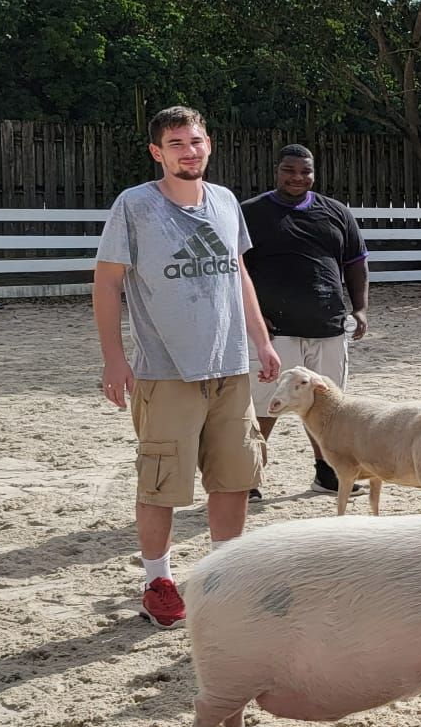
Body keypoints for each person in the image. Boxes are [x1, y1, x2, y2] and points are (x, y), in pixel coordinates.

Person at [93, 106, 282, 628]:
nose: (188, 150)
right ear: (158, 152)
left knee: (233, 477)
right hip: (166, 370)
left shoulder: (224, 202)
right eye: (175, 143)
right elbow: (107, 282)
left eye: (195, 141)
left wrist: (261, 341)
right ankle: (158, 580)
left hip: (230, 367)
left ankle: (224, 576)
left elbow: (237, 271)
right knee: (162, 482)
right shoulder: (135, 205)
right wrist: (114, 357)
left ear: (209, 144)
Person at [240, 144, 369, 497]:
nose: (298, 177)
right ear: (276, 170)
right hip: (273, 331)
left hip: (327, 326)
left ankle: (326, 473)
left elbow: (355, 263)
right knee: (265, 402)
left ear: (314, 173)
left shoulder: (336, 213)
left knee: (325, 406)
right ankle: (249, 477)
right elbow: (233, 270)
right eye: (290, 170)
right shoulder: (250, 213)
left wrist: (359, 308)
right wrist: (251, 314)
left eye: (305, 171)